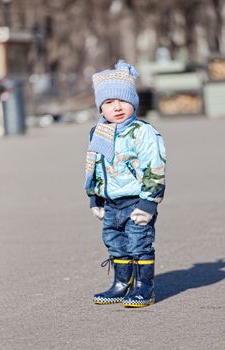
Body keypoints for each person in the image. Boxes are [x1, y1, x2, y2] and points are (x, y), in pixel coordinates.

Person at [84, 60, 166, 308]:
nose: (117, 107)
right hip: (110, 202)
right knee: (114, 241)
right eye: (109, 103)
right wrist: (94, 198)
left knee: (139, 243)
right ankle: (122, 283)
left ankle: (145, 288)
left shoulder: (142, 131)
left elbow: (155, 166)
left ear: (134, 103)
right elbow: (95, 166)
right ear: (101, 109)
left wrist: (148, 202)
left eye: (123, 101)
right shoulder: (98, 133)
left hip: (136, 201)